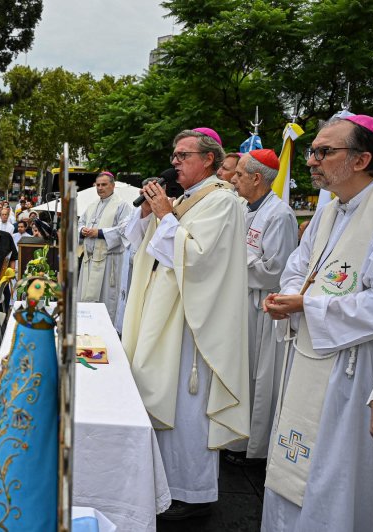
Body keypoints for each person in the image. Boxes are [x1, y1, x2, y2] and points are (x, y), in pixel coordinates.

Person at [261, 115, 373, 531]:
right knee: (295, 465)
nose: (311, 161)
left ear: (361, 159)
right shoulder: (330, 210)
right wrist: (291, 297)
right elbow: (297, 267)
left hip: (353, 369)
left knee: (333, 479)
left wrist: (307, 307)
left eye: (323, 152)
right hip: (310, 354)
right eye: (312, 151)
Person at [121, 128, 249, 519]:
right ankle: (166, 485)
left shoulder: (222, 202)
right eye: (174, 156)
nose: (174, 162)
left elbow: (198, 258)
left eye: (183, 155)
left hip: (193, 323)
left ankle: (193, 493)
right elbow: (141, 245)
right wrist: (147, 216)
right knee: (167, 401)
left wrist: (164, 215)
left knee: (187, 409)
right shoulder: (188, 199)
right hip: (167, 313)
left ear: (209, 159)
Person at [228, 148, 298, 463]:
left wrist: (232, 257)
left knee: (257, 377)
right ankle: (233, 437)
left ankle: (252, 447)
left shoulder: (280, 214)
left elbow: (276, 270)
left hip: (261, 308)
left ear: (257, 178)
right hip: (239, 301)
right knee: (238, 372)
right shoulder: (243, 207)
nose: (232, 178)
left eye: (239, 174)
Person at [78, 171, 133, 324]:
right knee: (85, 297)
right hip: (89, 260)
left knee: (106, 299)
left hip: (108, 262)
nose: (100, 188)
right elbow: (80, 223)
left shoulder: (122, 206)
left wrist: (100, 232)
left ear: (113, 186)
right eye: (98, 185)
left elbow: (125, 230)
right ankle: (86, 327)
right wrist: (82, 230)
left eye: (104, 184)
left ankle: (105, 329)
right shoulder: (91, 206)